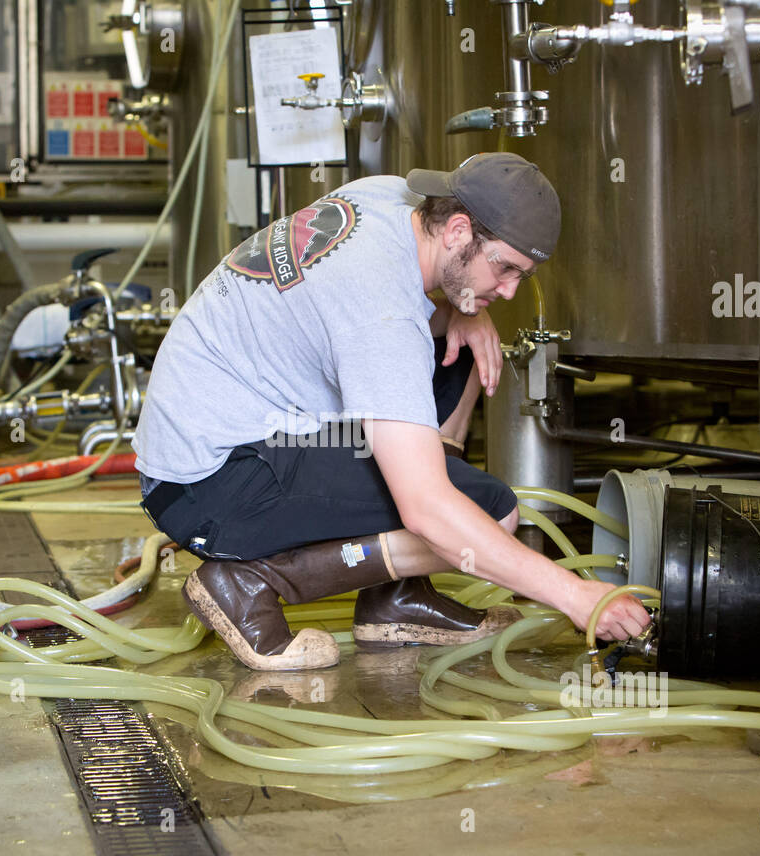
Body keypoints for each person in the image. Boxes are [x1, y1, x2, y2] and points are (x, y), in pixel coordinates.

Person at [133, 152, 651, 670]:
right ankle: (249, 581)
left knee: (465, 347)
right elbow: (426, 509)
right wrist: (578, 596)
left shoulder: (390, 198)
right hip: (212, 484)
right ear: (458, 230)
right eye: (505, 268)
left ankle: (394, 597)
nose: (511, 290)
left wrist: (461, 310)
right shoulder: (382, 315)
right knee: (493, 512)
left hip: (227, 425)